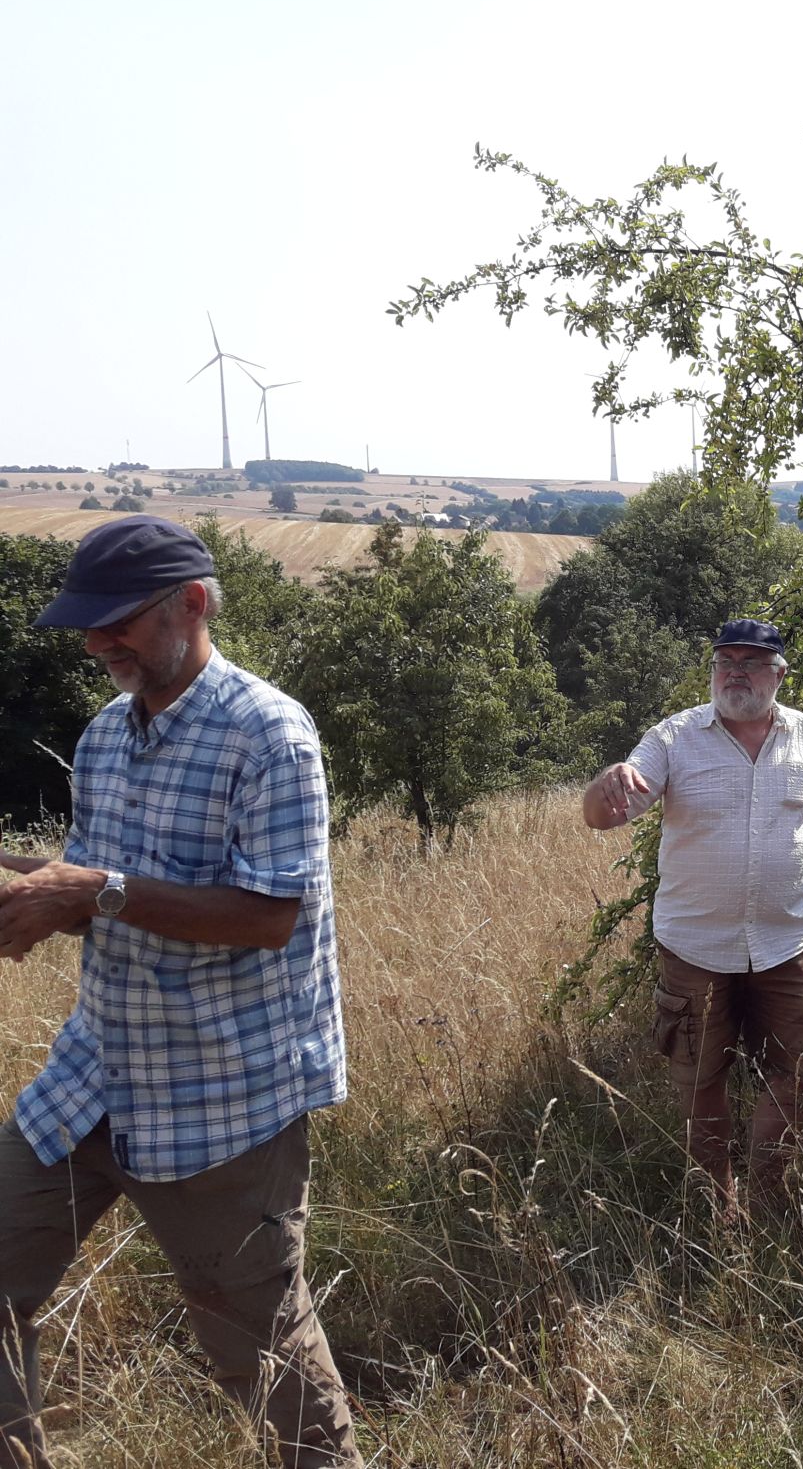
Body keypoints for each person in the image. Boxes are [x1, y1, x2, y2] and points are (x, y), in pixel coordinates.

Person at [0, 516, 359, 1468]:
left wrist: (90, 890)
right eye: (85, 626)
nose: (93, 644)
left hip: (220, 1097)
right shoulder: (108, 734)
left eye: (113, 622)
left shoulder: (269, 733)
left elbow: (269, 914)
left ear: (191, 604)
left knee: (260, 1354)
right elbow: (109, 893)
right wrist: (35, 888)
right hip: (95, 1076)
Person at [582, 618, 803, 1220]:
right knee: (700, 1080)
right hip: (694, 946)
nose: (735, 672)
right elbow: (604, 816)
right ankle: (717, 1207)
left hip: (788, 942)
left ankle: (770, 1188)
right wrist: (605, 786)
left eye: (752, 662)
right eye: (724, 660)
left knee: (800, 1071)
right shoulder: (674, 737)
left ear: (778, 674)